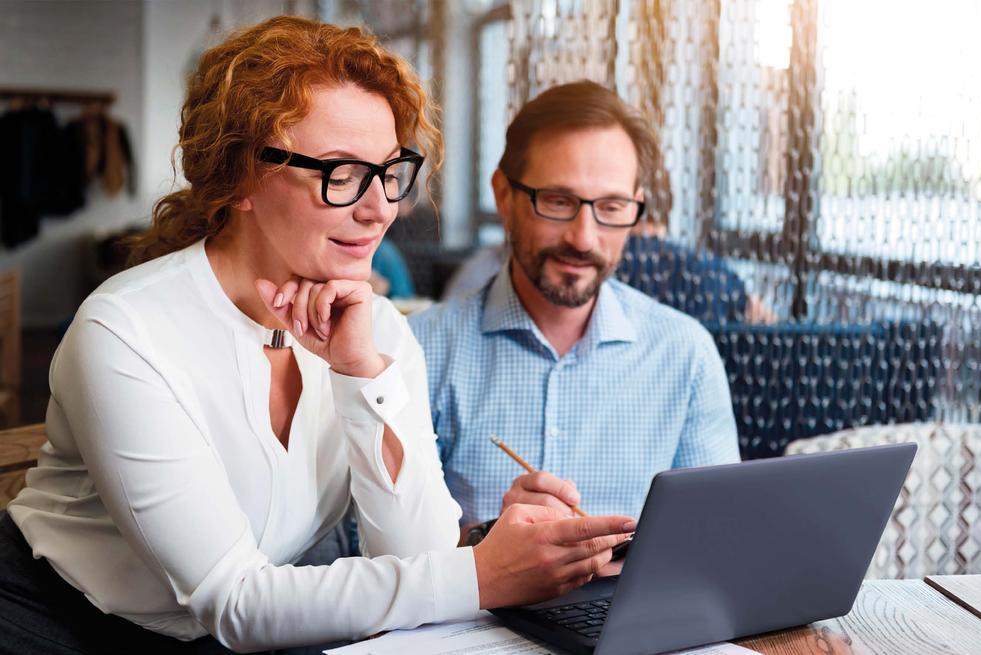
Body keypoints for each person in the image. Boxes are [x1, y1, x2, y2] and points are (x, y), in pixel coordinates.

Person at [0, 19, 633, 655]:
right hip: (55, 624)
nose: (379, 207)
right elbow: (237, 601)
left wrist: (363, 375)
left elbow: (420, 558)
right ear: (241, 175)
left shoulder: (377, 328)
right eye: (341, 173)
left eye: (388, 172)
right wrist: (484, 573)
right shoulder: (124, 332)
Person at [411, 81, 741, 541]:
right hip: (476, 613)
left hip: (637, 611)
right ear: (504, 197)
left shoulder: (686, 354)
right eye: (558, 201)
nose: (583, 238)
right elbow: (374, 555)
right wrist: (486, 540)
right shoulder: (417, 351)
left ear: (636, 208)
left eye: (610, 207)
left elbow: (719, 537)